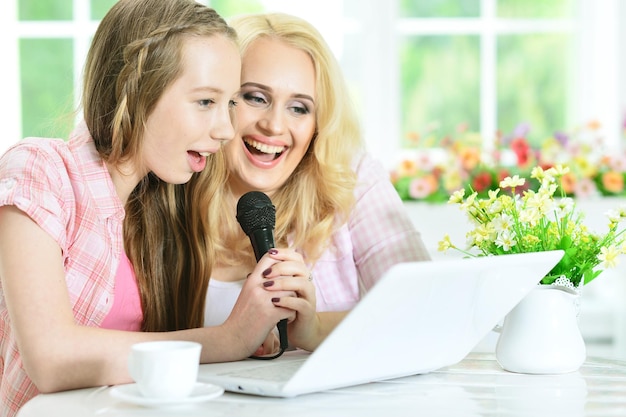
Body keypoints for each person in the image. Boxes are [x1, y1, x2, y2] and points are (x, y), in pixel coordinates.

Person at [0, 1, 293, 415]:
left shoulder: (158, 208)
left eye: (230, 103)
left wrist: (258, 330)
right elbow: (50, 358)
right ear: (134, 90)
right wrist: (228, 339)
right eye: (206, 101)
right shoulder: (39, 171)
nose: (226, 130)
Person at [201, 12, 431, 352]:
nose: (274, 126)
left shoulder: (351, 180)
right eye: (255, 97)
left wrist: (314, 329)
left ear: (317, 125)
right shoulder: (167, 188)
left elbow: (425, 307)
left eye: (299, 108)